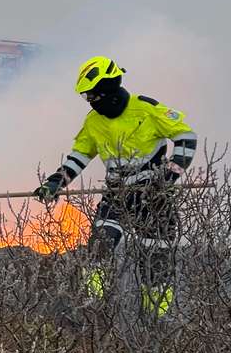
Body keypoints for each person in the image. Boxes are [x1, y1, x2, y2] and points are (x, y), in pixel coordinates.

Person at [35, 55, 198, 317]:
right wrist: (56, 182)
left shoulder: (147, 110)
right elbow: (80, 156)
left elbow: (186, 137)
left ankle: (157, 318)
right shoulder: (93, 122)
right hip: (117, 194)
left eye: (92, 95)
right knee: (100, 244)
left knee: (155, 262)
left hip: (153, 198)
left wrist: (168, 177)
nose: (90, 101)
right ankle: (91, 308)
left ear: (108, 89)